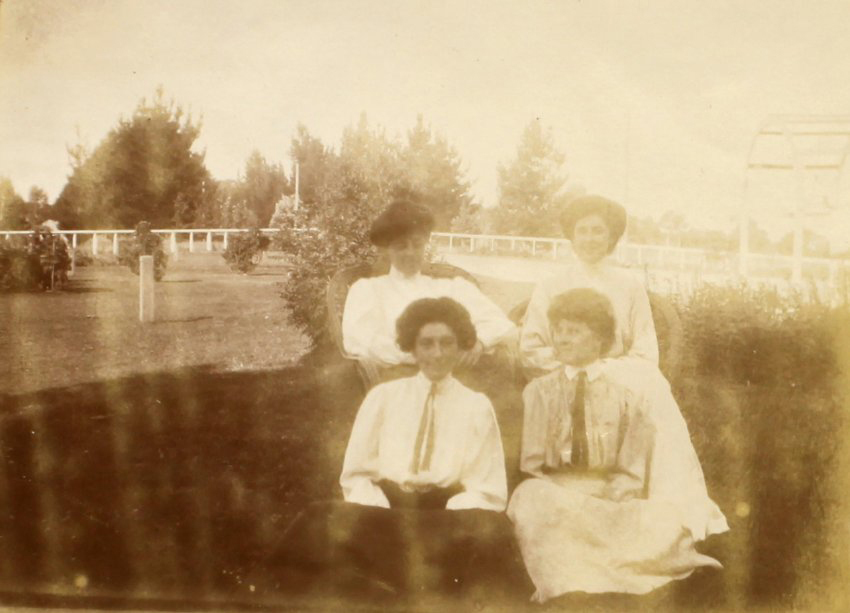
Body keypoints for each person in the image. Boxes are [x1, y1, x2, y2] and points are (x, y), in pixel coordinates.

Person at [270, 298, 529, 601]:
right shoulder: (384, 397)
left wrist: (451, 516)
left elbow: (486, 485)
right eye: (427, 344)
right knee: (318, 517)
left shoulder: (476, 406)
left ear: (460, 347)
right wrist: (376, 509)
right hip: (384, 511)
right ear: (412, 348)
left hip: (446, 516)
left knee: (492, 530)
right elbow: (357, 473)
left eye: (447, 343)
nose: (437, 353)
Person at [508, 288, 728, 602]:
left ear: (600, 339)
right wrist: (573, 488)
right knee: (529, 500)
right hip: (559, 492)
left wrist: (615, 490)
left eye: (573, 331)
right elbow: (533, 462)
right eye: (557, 331)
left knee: (662, 518)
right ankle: (577, 579)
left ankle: (613, 567)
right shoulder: (538, 392)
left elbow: (632, 466)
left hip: (608, 498)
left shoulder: (626, 395)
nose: (562, 339)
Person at [342, 199, 516, 371]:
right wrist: (423, 356)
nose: (410, 253)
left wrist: (479, 343)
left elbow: (500, 324)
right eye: (401, 246)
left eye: (417, 245)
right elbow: (361, 341)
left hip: (459, 382)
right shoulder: (369, 290)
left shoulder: (451, 287)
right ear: (387, 251)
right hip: (400, 383)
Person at [519, 195, 658, 377]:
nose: (589, 239)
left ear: (611, 237)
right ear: (572, 237)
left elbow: (646, 353)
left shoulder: (630, 285)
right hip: (562, 379)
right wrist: (574, 366)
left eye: (597, 231)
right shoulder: (550, 284)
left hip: (617, 381)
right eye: (582, 231)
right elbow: (530, 350)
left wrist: (599, 371)